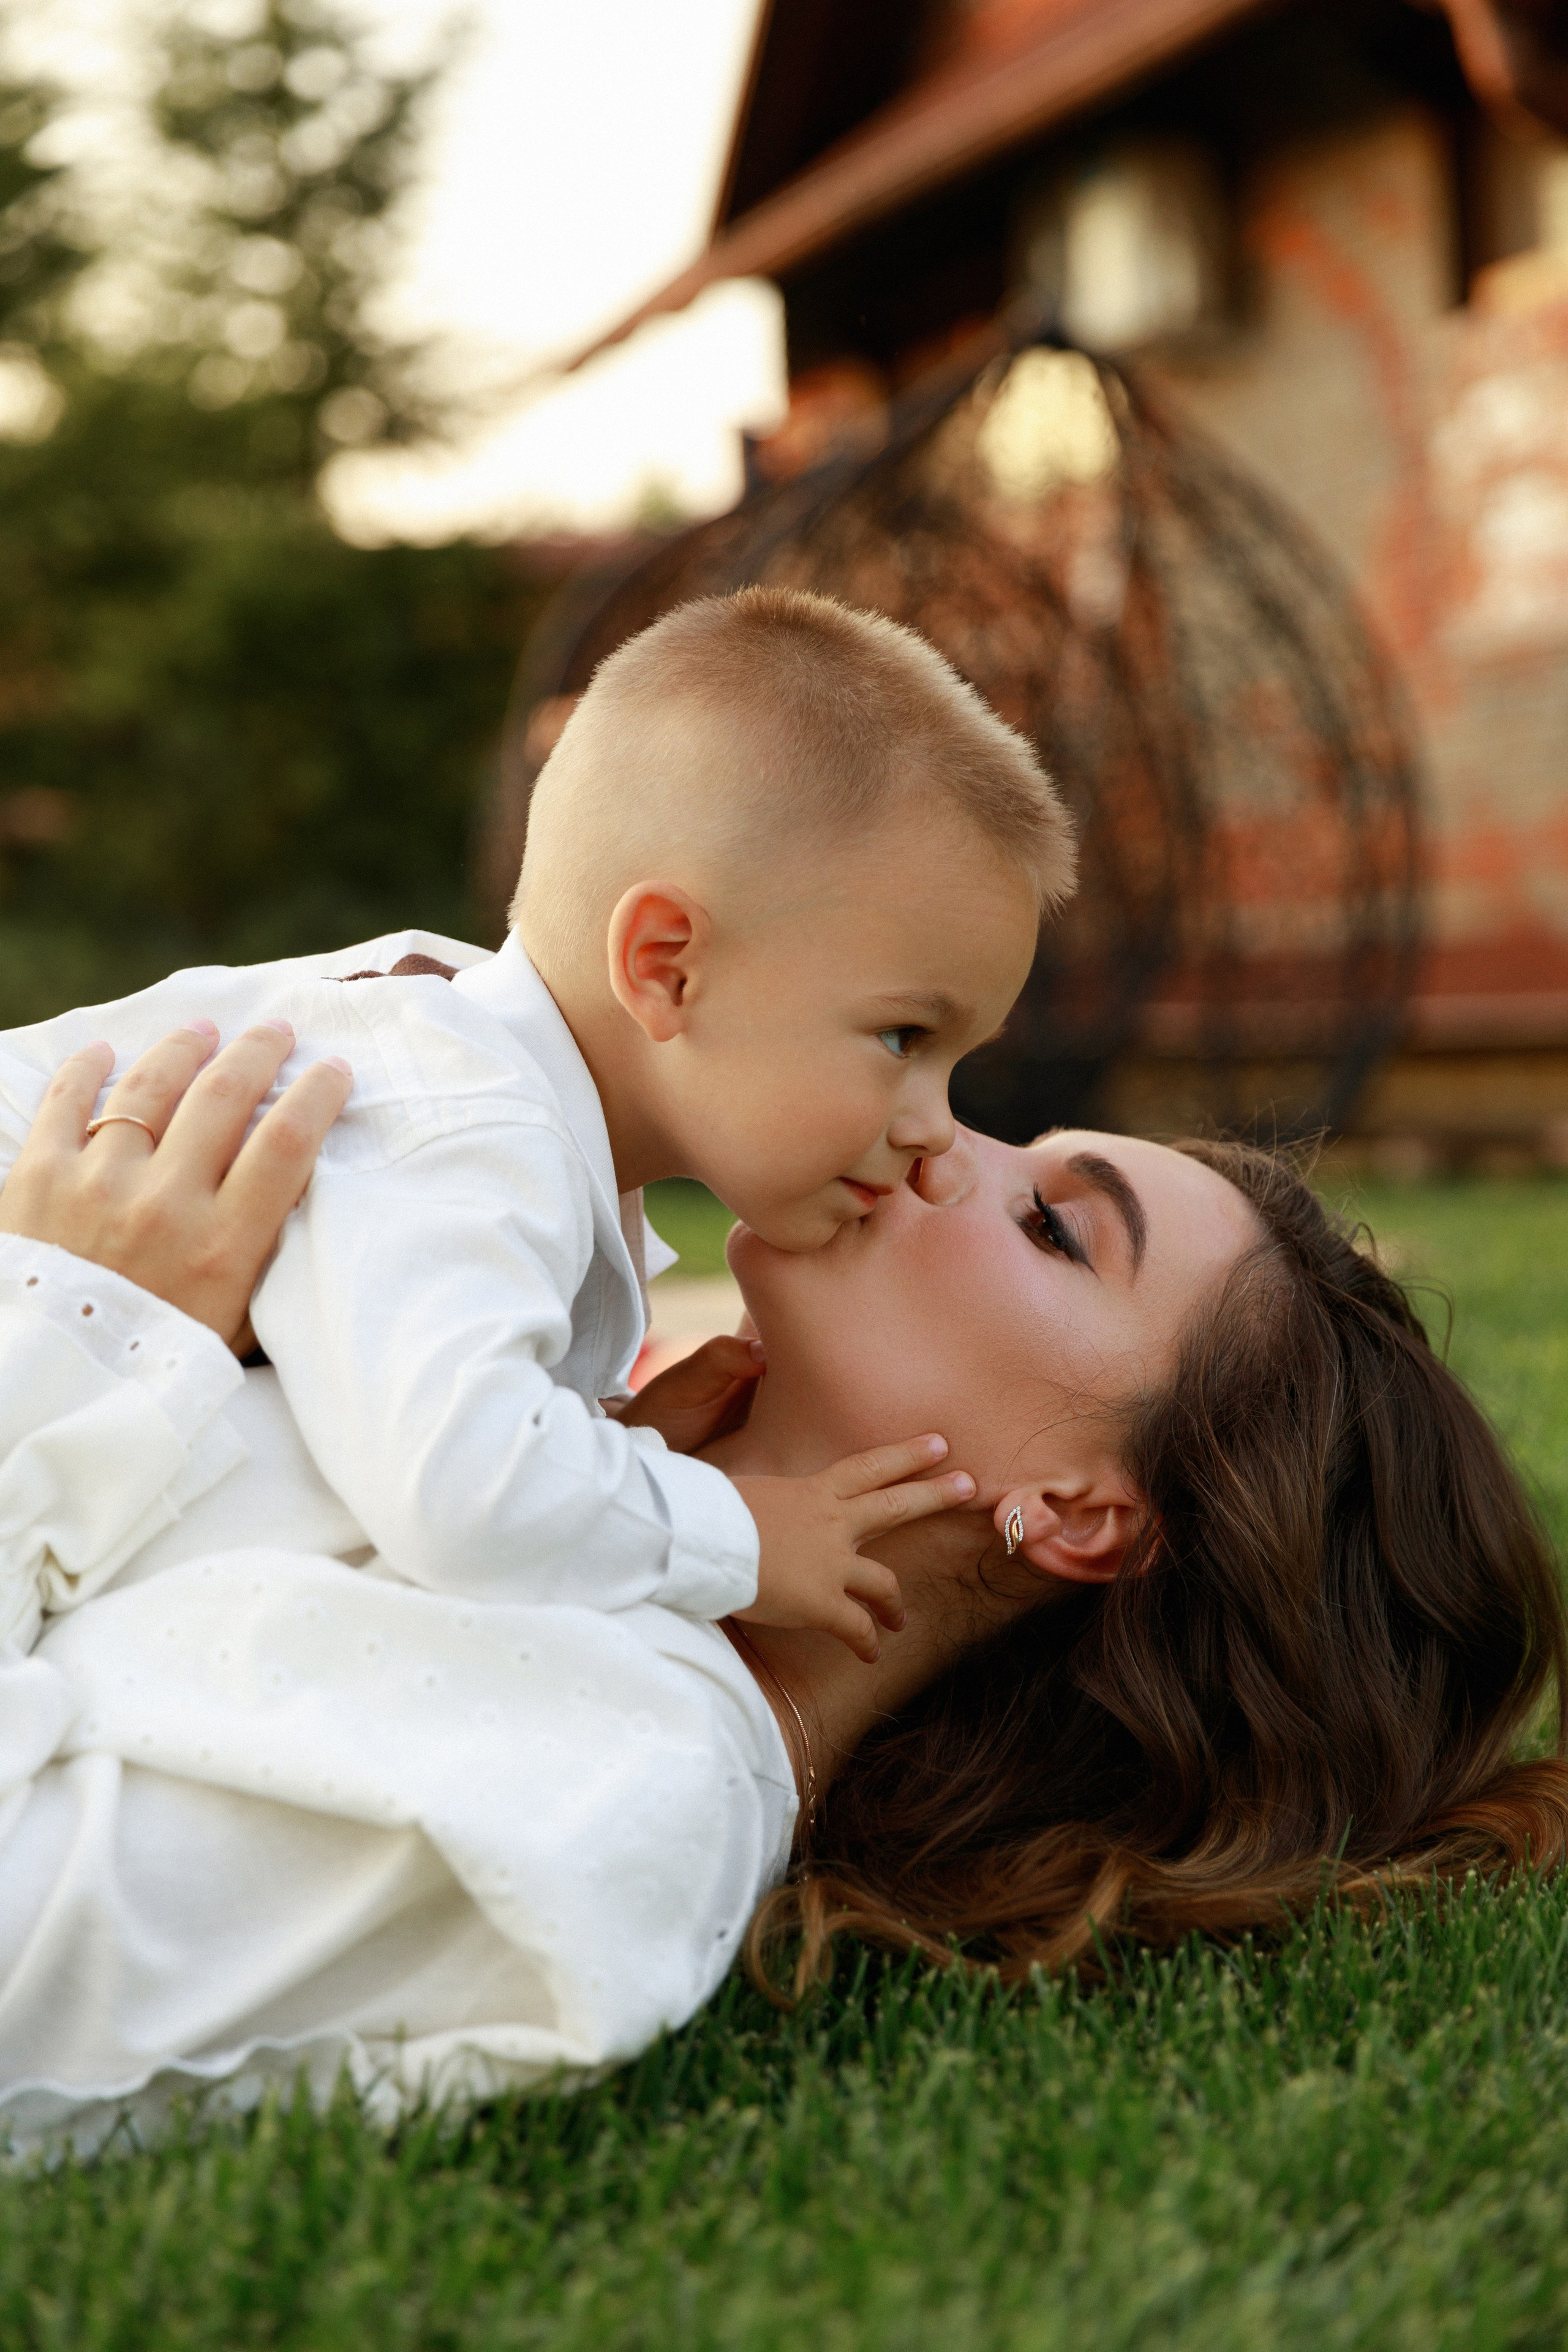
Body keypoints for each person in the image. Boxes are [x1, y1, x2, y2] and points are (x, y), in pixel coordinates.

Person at [0, 1026, 1561, 2157]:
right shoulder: (518, 1473)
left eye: (1050, 1226)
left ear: (1081, 1516)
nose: (944, 1138)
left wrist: (81, 1335)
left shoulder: (617, 1778)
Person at [0, 588, 1073, 1668]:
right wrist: (737, 1532)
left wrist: (603, 1444)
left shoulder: (491, 1095)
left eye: (953, 1062)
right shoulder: (470, 1121)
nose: (939, 1129)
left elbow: (358, 1463)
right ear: (668, 965)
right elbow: (457, 1490)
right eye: (902, 1037)